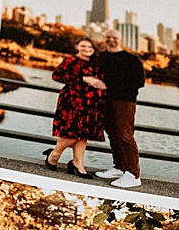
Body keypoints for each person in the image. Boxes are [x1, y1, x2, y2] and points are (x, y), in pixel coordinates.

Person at [92, 28, 147, 189]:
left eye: (114, 37)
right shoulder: (101, 58)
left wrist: (111, 87)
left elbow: (139, 82)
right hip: (105, 101)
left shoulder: (132, 59)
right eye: (108, 37)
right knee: (113, 134)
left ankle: (133, 174)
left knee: (125, 135)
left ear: (120, 39)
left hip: (124, 101)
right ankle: (119, 167)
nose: (111, 40)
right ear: (104, 39)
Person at [45, 38, 108, 178]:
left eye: (89, 47)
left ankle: (78, 163)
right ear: (77, 47)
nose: (86, 49)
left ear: (93, 49)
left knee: (83, 132)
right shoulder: (70, 61)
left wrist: (102, 84)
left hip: (91, 103)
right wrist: (82, 79)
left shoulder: (96, 63)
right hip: (72, 101)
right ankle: (54, 154)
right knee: (71, 131)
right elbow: (57, 76)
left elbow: (102, 79)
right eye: (83, 46)